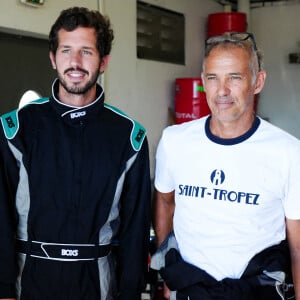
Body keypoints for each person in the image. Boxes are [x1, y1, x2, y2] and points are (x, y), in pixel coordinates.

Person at [0, 6, 151, 300]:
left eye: (87, 51)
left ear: (103, 61)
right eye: (66, 50)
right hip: (28, 282)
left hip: (97, 284)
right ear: (53, 57)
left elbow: (135, 232)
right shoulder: (15, 129)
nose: (75, 62)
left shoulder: (129, 138)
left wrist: (131, 293)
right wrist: (3, 290)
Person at [151, 32, 300, 300]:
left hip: (257, 292)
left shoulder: (288, 152)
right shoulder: (175, 141)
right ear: (203, 83)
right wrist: (168, 272)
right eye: (213, 78)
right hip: (190, 290)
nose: (222, 91)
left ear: (257, 81)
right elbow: (164, 200)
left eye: (234, 77)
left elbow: (298, 248)